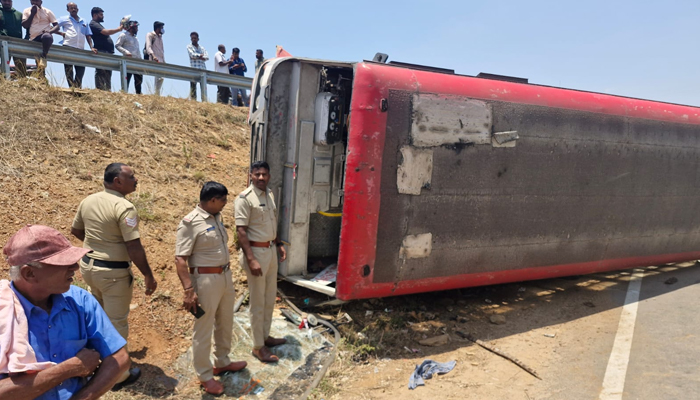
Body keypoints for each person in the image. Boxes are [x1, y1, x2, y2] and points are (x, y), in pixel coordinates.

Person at [0, 224, 131, 399]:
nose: (75, 267)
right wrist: (69, 369)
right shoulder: (4, 314)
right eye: (63, 263)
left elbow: (119, 358)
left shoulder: (80, 300)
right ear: (29, 273)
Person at [71, 162, 158, 389]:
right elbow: (134, 246)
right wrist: (148, 275)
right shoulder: (124, 207)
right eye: (132, 176)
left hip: (89, 268)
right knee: (116, 322)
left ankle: (98, 362)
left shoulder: (89, 200)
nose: (136, 180)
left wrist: (98, 246)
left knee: (98, 317)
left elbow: (76, 230)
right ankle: (118, 375)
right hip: (113, 274)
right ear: (118, 181)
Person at [175, 182, 247, 395]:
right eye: (223, 200)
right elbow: (180, 259)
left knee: (225, 320)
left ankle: (222, 361)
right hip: (205, 280)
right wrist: (189, 290)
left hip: (224, 276)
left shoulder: (216, 217)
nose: (225, 203)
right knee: (204, 329)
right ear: (213, 200)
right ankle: (205, 375)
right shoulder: (190, 222)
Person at [234, 161, 287, 363]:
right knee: (257, 302)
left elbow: (272, 223)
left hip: (270, 250)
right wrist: (251, 259)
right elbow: (241, 231)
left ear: (269, 176)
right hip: (256, 253)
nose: (261, 178)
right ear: (251, 175)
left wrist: (279, 243)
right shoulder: (244, 199)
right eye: (257, 174)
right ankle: (258, 347)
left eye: (264, 174)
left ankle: (265, 336)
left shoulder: (269, 194)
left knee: (269, 297)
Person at [57, 2, 96, 89]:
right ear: (68, 10)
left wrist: (91, 47)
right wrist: (61, 33)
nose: (73, 9)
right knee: (69, 69)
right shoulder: (64, 19)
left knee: (81, 69)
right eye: (71, 8)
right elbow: (52, 26)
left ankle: (77, 87)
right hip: (68, 46)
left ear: (78, 9)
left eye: (75, 8)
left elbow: (88, 35)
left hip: (80, 48)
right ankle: (72, 88)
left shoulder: (84, 21)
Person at [89, 6, 123, 91]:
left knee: (107, 72)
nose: (103, 16)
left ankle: (107, 90)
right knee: (101, 71)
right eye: (101, 14)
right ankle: (100, 90)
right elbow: (105, 32)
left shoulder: (98, 24)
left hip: (107, 52)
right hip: (101, 51)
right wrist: (118, 29)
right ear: (95, 15)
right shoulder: (93, 24)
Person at [21, 0, 59, 67]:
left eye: (37, 1)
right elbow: (25, 25)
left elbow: (57, 26)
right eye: (33, 1)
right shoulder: (27, 11)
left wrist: (49, 32)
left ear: (41, 2)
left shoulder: (47, 11)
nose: (35, 3)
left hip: (45, 36)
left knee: (47, 36)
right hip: (33, 38)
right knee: (39, 64)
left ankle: (44, 56)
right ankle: (41, 72)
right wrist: (32, 14)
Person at [0, 0, 26, 77]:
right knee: (4, 66)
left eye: (9, 1)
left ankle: (22, 82)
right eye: (5, 1)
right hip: (2, 42)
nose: (7, 3)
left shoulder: (19, 14)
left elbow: (28, 25)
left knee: (21, 67)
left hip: (17, 43)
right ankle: (3, 80)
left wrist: (27, 37)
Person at [115, 20, 142, 94]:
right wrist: (126, 52)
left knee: (139, 80)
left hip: (137, 62)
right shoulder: (123, 35)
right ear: (131, 27)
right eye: (136, 27)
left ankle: (139, 94)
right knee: (126, 80)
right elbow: (117, 45)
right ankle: (124, 94)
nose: (137, 29)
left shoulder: (135, 38)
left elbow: (137, 50)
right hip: (128, 62)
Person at [186, 31, 208, 101]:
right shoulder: (189, 46)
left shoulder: (202, 48)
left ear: (198, 39)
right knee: (193, 87)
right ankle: (193, 102)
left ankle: (204, 101)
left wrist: (198, 56)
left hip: (202, 69)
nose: (193, 39)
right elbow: (192, 55)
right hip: (194, 69)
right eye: (192, 38)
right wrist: (200, 56)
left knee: (203, 87)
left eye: (195, 38)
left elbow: (207, 57)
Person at [145, 21, 164, 95]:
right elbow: (148, 47)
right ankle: (156, 94)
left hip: (160, 60)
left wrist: (164, 61)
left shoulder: (160, 37)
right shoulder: (150, 35)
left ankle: (157, 94)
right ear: (158, 28)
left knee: (161, 78)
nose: (163, 29)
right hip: (154, 59)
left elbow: (161, 50)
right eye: (161, 28)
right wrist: (153, 56)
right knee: (158, 77)